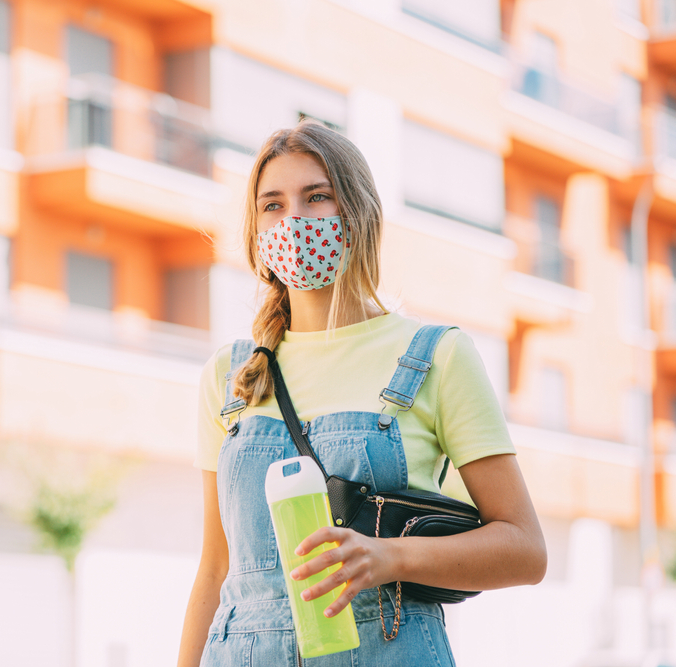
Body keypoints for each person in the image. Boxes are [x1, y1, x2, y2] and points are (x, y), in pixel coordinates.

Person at [176, 121, 547, 666]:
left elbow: (525, 550)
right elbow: (215, 569)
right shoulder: (229, 376)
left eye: (316, 197)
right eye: (272, 205)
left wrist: (388, 557)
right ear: (255, 229)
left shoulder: (436, 356)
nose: (294, 221)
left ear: (357, 214)